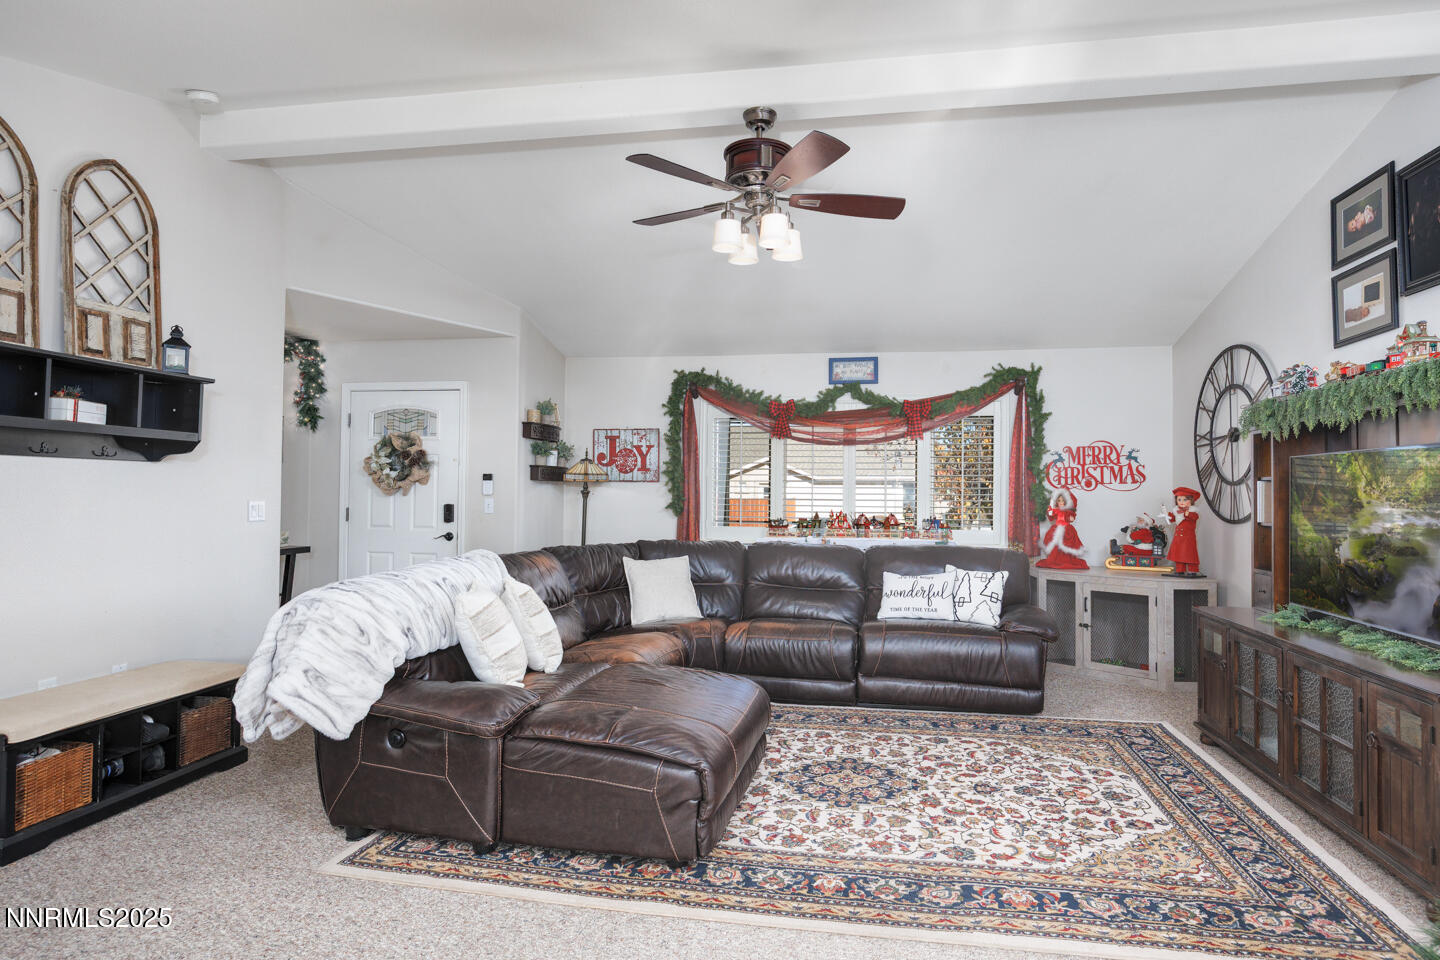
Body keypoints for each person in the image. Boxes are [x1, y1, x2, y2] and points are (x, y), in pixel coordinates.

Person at [1036, 489, 1088, 570]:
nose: (1061, 502)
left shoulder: (1068, 512)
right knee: (1055, 544)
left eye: (1063, 501)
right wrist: (1050, 507)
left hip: (1066, 528)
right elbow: (1050, 515)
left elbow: (1071, 518)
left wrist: (1070, 518)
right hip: (1057, 527)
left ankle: (1066, 559)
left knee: (1067, 543)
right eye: (1059, 500)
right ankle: (1056, 559)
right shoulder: (1055, 510)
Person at [1163, 486, 1202, 577]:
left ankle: (1193, 570)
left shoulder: (1193, 512)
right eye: (1179, 499)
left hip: (1188, 538)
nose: (1181, 502)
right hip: (1178, 539)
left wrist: (1186, 513)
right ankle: (1180, 570)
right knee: (1178, 554)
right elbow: (1172, 518)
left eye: (1185, 500)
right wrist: (1167, 515)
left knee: (1189, 554)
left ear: (1191, 501)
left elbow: (1194, 517)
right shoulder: (1177, 511)